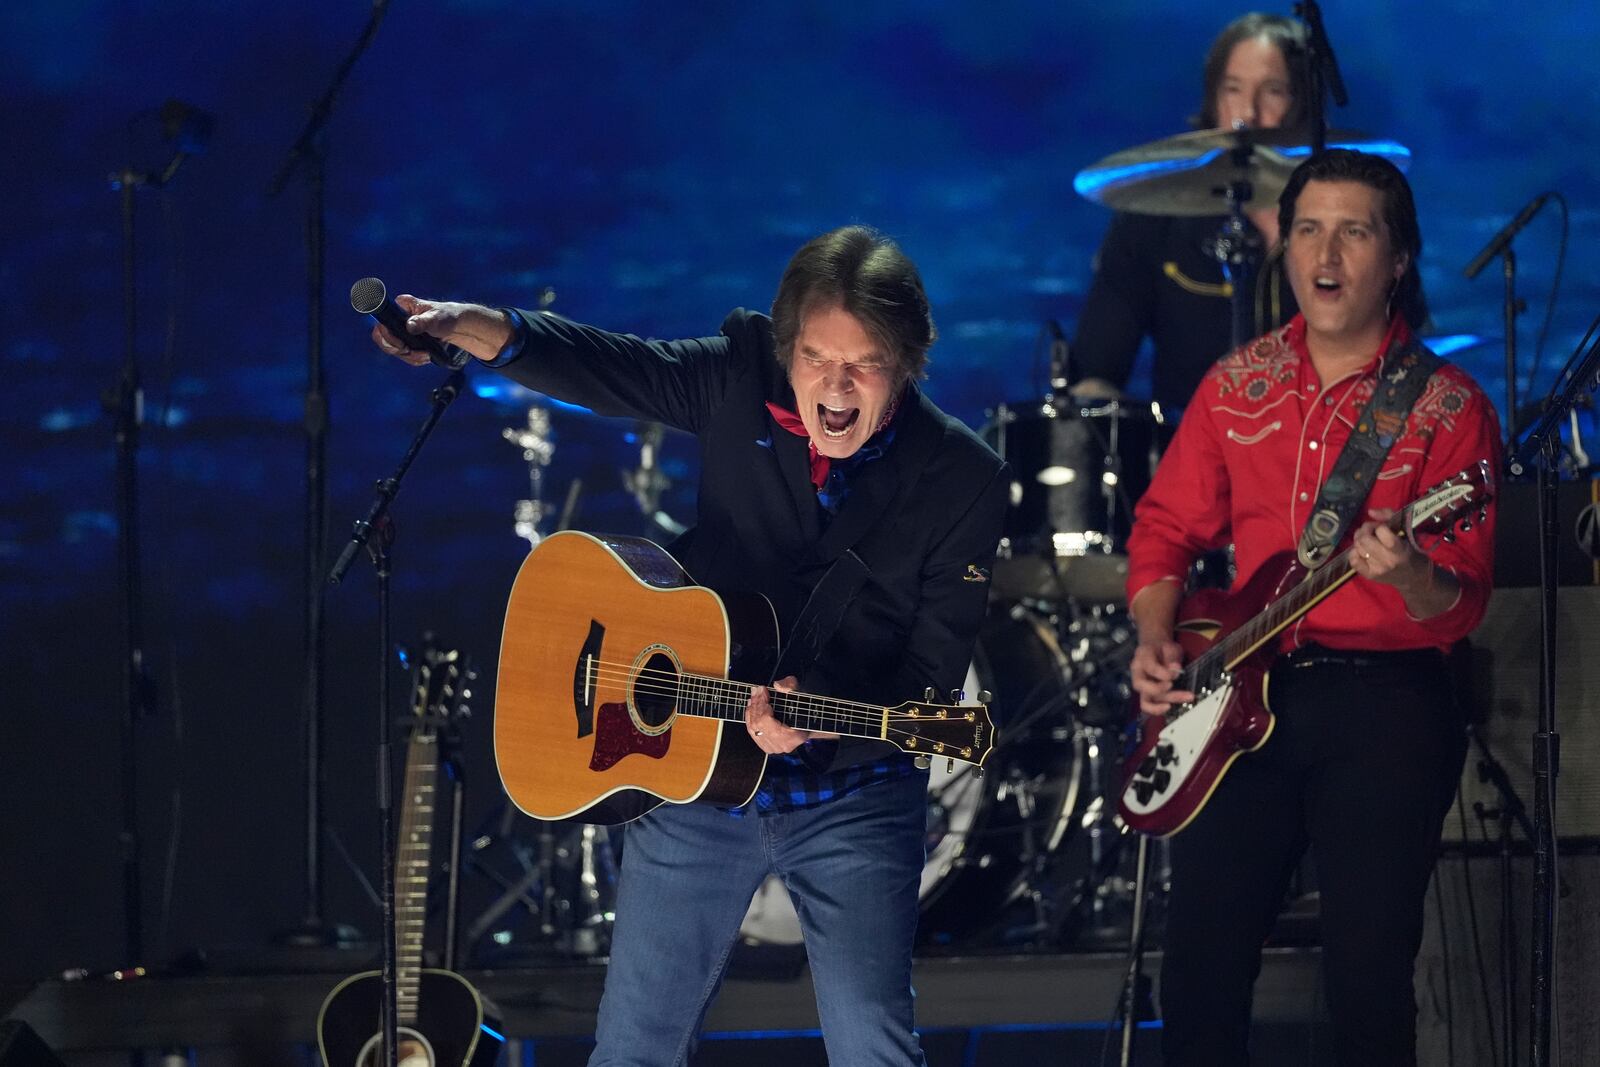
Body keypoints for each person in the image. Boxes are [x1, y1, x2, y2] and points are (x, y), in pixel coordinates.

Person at [372, 225, 1007, 1066]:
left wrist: (817, 722)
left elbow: (930, 678)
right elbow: (607, 365)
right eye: (817, 357)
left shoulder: (961, 477)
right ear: (787, 349)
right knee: (633, 1047)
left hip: (855, 792)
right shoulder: (739, 377)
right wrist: (467, 325)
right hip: (697, 775)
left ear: (908, 361)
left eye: (865, 363)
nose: (837, 385)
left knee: (873, 1046)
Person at [1125, 149, 1500, 1065]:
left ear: (1398, 259)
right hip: (1238, 690)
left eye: (1354, 230)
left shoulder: (1449, 408)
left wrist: (1405, 569)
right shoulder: (1234, 384)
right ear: (1285, 248)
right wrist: (1154, 636)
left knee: (1367, 982)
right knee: (1199, 972)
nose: (1325, 251)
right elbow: (1165, 527)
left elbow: (1458, 606)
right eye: (1307, 229)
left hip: (1387, 699)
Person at [1072, 12, 1313, 414]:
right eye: (1233, 89)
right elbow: (1094, 375)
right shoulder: (1151, 220)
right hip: (1189, 457)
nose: (1247, 113)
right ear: (1213, 97)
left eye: (1272, 91)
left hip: (1323, 458)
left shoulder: (1343, 221)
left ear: (1304, 100)